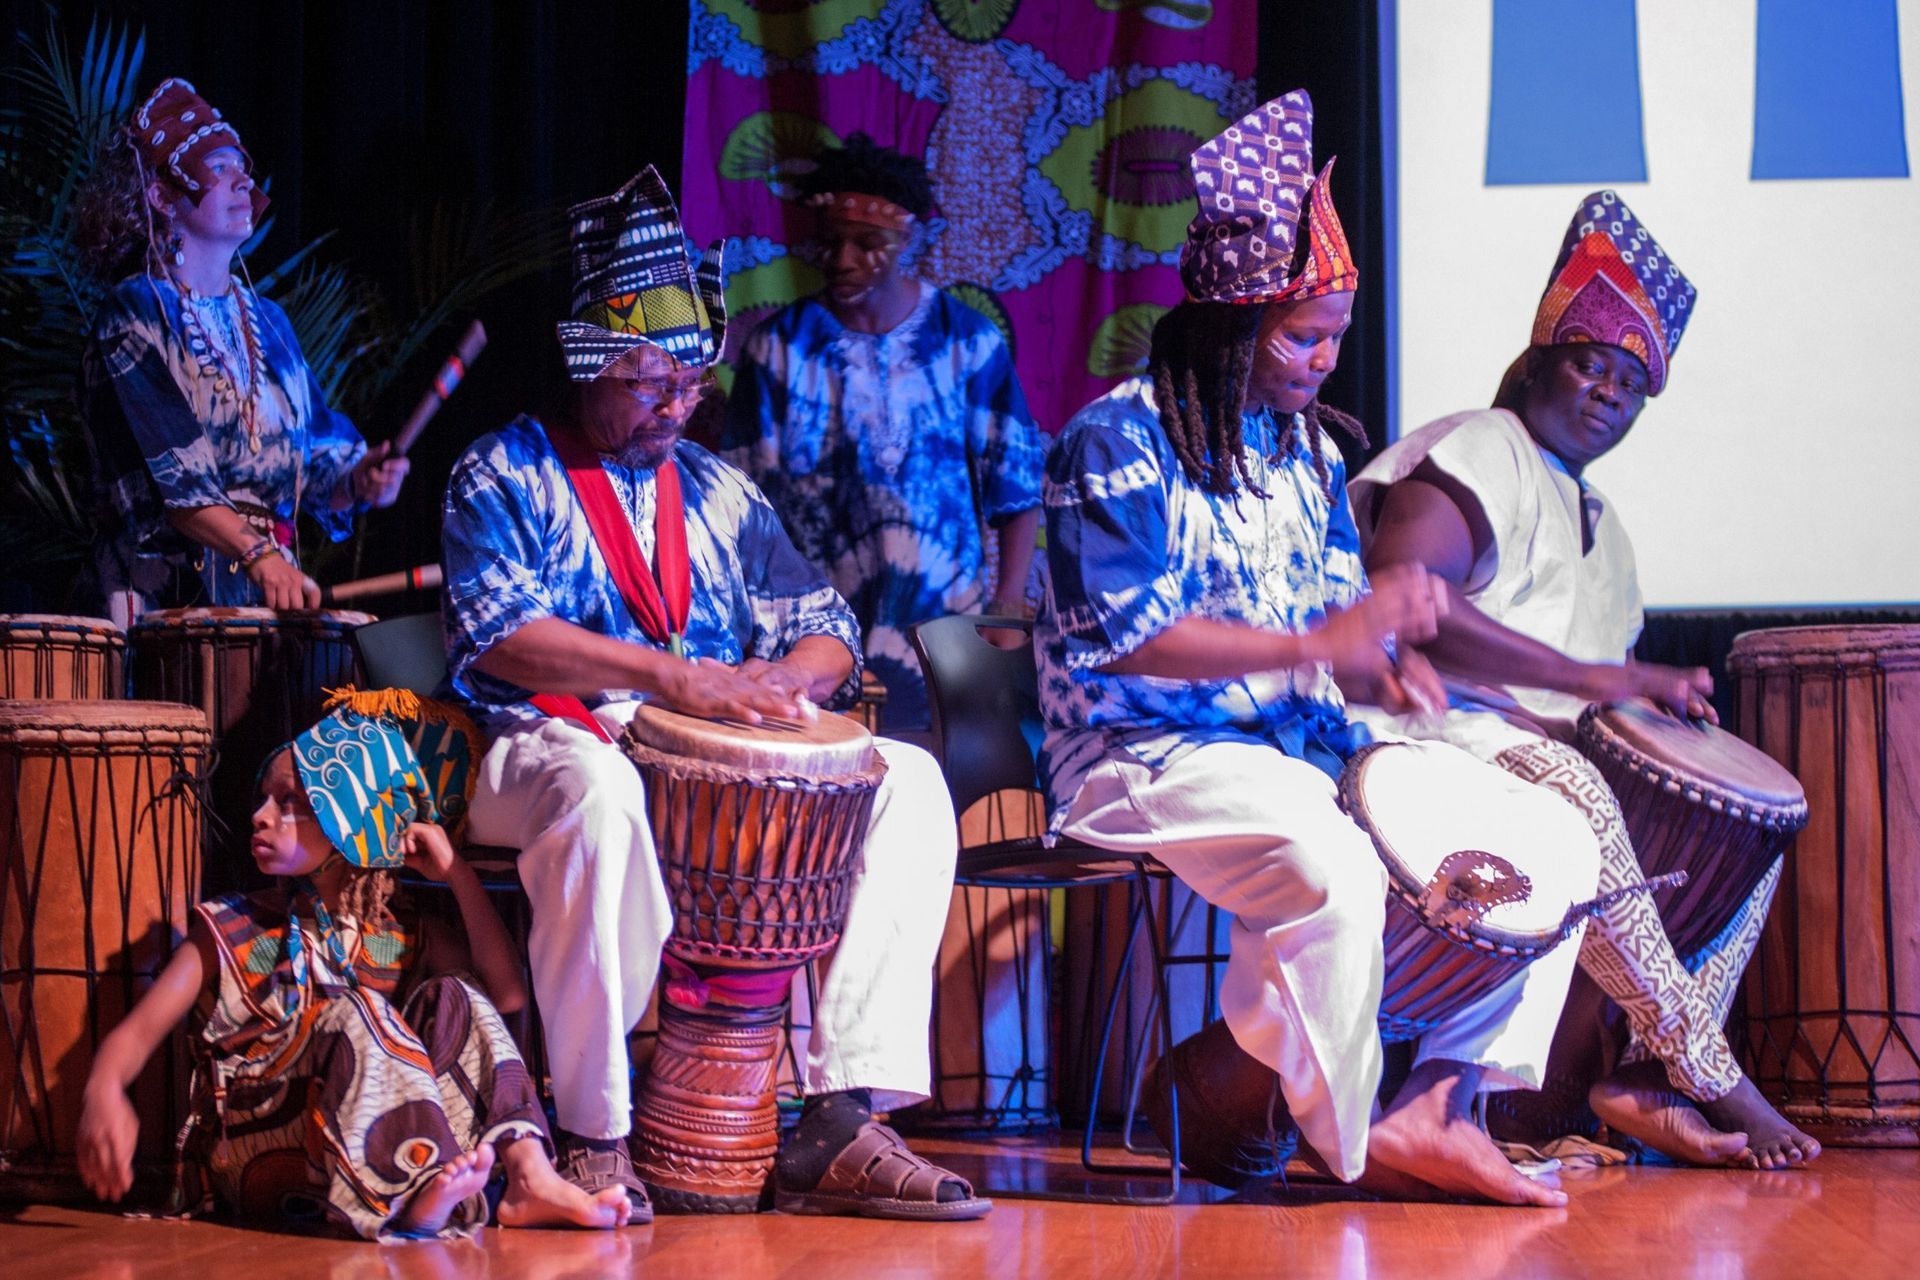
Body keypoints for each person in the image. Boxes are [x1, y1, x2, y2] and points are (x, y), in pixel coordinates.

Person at [1035, 91, 1600, 1207]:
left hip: (1288, 747)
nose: (1326, 359)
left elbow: (1338, 629)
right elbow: (1129, 641)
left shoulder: (1307, 455)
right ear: (1232, 324)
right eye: (1304, 335)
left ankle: (1440, 1098)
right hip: (1140, 754)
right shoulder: (1116, 438)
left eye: (1337, 334)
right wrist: (1315, 641)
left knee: (1545, 830)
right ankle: (1348, 1135)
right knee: (1336, 865)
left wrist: (1382, 667)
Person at [440, 167, 988, 1220]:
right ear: (589, 365)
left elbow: (827, 626)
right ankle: (594, 1132)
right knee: (599, 790)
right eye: (650, 382)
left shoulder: (719, 490)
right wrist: (674, 675)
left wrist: (785, 680)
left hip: (693, 750)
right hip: (535, 744)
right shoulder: (502, 471)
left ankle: (841, 1112)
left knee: (910, 780)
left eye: (690, 382)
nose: (676, 404)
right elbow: (502, 637)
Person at [1349, 191, 1820, 1170]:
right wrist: (1597, 676)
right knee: (1574, 790)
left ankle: (1644, 1077)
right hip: (1428, 739)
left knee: (1759, 828)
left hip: (1530, 757)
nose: (1608, 393)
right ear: (1538, 364)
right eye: (1590, 365)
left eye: (1631, 384)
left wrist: (1647, 707)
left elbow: (1598, 696)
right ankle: (1709, 1071)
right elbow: (1408, 596)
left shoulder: (1609, 529)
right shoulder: (1482, 444)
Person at [74, 693, 630, 1239]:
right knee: (356, 1009)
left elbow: (505, 996)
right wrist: (103, 1090)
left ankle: (528, 1177)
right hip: (258, 1148)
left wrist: (456, 873)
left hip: (379, 1145)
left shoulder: (399, 933)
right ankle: (410, 1194)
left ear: (350, 815)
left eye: (290, 802)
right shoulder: (232, 925)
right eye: (265, 801)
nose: (261, 817)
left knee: (458, 994)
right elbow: (136, 1036)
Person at [721, 134, 1044, 733]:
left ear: (908, 241)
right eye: (830, 242)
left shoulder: (967, 342)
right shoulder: (777, 350)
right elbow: (737, 505)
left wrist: (1005, 608)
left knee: (935, 774)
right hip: (809, 632)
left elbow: (1016, 486)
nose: (843, 259)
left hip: (943, 628)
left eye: (867, 244)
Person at [74, 78, 408, 622]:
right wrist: (257, 553)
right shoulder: (135, 314)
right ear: (162, 196)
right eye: (220, 166)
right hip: (161, 603)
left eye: (242, 165)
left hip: (260, 601)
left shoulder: (269, 323)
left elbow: (314, 464)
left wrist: (357, 480)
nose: (243, 178)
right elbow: (174, 477)